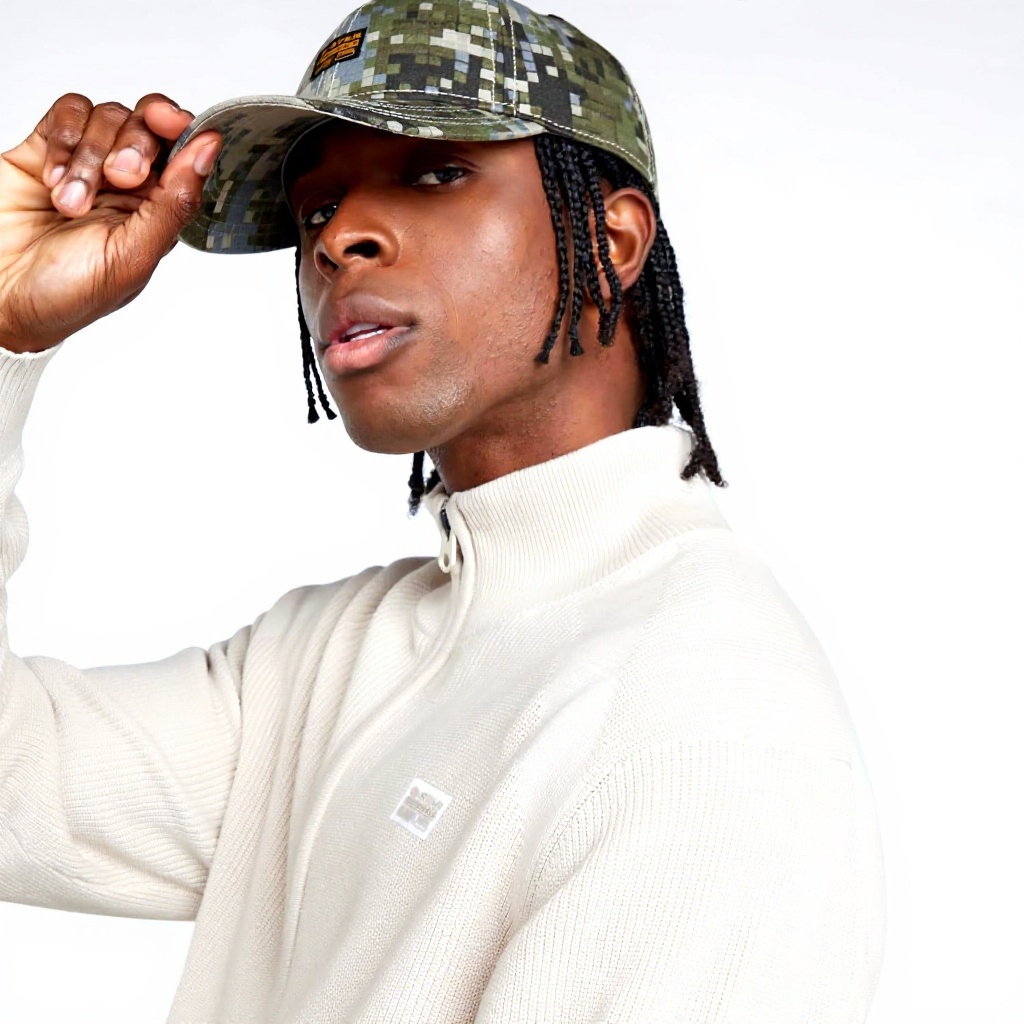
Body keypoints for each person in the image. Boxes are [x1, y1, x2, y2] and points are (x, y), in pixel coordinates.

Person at [0, 0, 886, 1020]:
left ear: (612, 239)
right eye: (316, 209)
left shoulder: (707, 732)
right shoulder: (331, 654)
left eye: (434, 174)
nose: (340, 241)